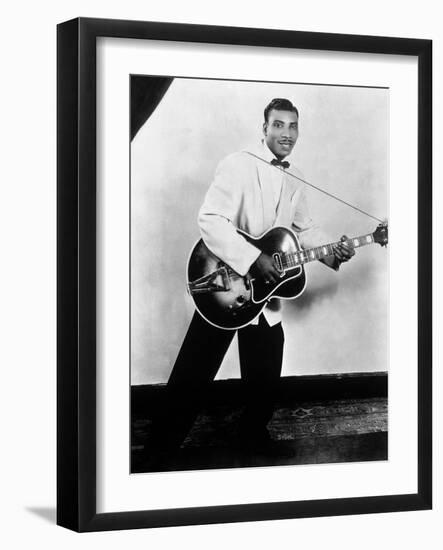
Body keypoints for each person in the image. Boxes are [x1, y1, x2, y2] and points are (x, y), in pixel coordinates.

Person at [143, 98, 355, 465]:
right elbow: (210, 219)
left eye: (292, 126)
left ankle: (252, 439)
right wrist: (254, 258)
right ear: (264, 128)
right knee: (193, 375)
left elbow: (302, 230)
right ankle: (156, 454)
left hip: (266, 296)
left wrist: (332, 251)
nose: (286, 134)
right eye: (278, 125)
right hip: (227, 287)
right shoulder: (237, 164)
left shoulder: (296, 176)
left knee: (265, 376)